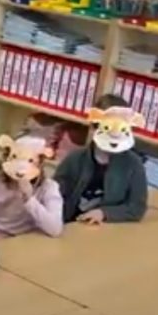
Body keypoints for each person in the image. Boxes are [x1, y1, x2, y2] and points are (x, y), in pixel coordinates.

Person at [55, 94, 148, 224]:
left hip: (106, 228)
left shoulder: (134, 164)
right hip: (70, 223)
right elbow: (54, 193)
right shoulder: (75, 159)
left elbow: (137, 208)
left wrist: (104, 213)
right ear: (95, 127)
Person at [0, 134, 63, 239]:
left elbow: (55, 229)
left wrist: (30, 200)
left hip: (28, 241)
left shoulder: (48, 187)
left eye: (30, 161)